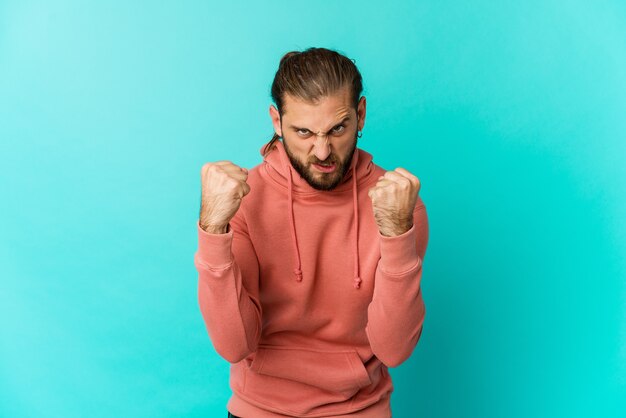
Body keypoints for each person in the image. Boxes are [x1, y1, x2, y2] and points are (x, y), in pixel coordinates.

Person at [195, 47, 429, 418]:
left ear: (361, 115)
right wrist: (212, 231)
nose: (322, 151)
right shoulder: (244, 200)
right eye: (303, 132)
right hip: (259, 409)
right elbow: (234, 344)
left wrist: (397, 234)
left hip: (360, 410)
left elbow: (394, 350)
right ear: (277, 122)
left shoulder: (396, 203)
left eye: (337, 128)